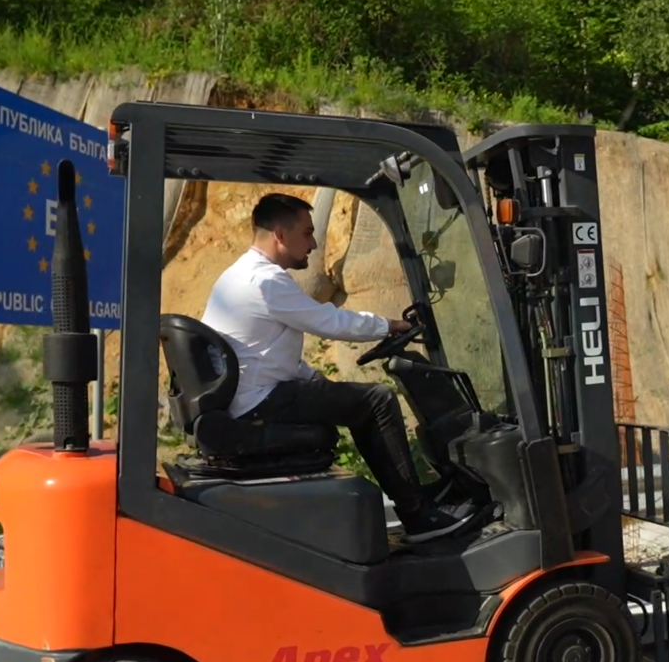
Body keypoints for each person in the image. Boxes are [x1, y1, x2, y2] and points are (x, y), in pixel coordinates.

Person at [201, 193, 482, 544]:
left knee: (357, 401)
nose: (313, 243)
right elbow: (328, 321)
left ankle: (414, 499)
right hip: (260, 402)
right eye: (307, 233)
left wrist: (314, 378)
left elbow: (261, 351)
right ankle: (418, 516)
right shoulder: (266, 281)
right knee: (377, 401)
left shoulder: (238, 275)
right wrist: (388, 326)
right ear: (280, 235)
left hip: (251, 397)